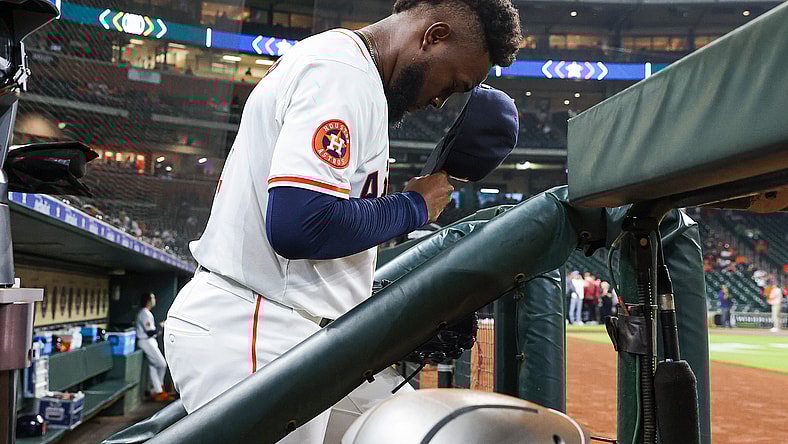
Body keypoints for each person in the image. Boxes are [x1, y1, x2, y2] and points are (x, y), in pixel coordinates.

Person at [164, 1, 522, 442]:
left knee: (400, 428)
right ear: (434, 36)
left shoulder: (357, 75)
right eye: (453, 82)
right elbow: (300, 225)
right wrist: (413, 206)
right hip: (258, 326)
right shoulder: (341, 72)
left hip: (304, 330)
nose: (438, 100)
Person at [136, 293, 169, 401]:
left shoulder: (147, 313)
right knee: (162, 364)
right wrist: (161, 326)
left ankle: (157, 390)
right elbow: (150, 332)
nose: (155, 300)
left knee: (153, 366)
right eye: (153, 298)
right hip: (146, 341)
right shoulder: (144, 313)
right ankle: (158, 390)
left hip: (149, 341)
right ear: (148, 300)